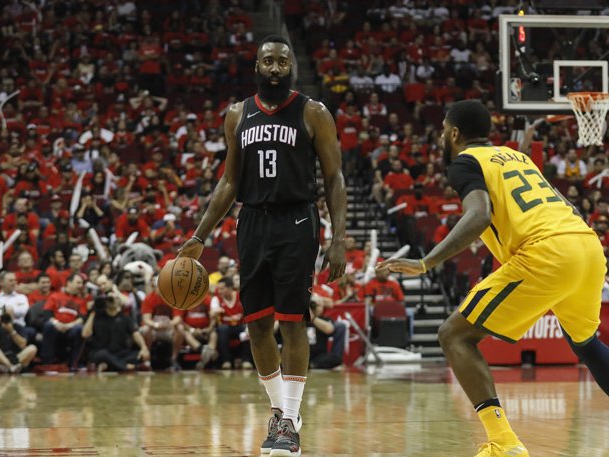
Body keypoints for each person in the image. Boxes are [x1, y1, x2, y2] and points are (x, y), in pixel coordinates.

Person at [377, 99, 609, 457]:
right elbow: (571, 206)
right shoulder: (517, 157)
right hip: (587, 245)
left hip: (547, 252)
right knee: (585, 342)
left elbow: (479, 215)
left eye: (443, 131)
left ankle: (504, 442)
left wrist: (426, 262)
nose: (441, 137)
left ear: (454, 133)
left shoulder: (465, 162)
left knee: (454, 335)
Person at [177, 35, 347, 457]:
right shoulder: (237, 114)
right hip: (252, 221)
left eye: (282, 62)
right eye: (268, 61)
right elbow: (229, 181)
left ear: (291, 67)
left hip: (297, 220)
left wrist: (339, 238)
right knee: (256, 323)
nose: (274, 68)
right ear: (256, 66)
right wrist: (199, 235)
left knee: (292, 321)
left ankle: (289, 418)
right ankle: (279, 411)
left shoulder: (313, 112)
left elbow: (334, 178)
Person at [81, 294, 150, 372]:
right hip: (100, 351)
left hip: (121, 353)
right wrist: (93, 311)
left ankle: (109, 365)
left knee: (139, 355)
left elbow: (135, 334)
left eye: (115, 298)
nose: (111, 301)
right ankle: (124, 366)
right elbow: (85, 334)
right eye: (109, 299)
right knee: (102, 355)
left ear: (119, 302)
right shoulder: (97, 316)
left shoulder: (125, 318)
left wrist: (144, 347)